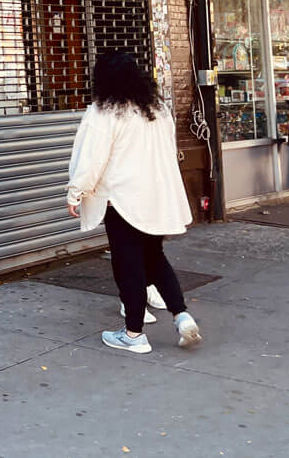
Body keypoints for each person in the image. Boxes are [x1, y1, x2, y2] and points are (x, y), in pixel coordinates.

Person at [66, 51, 202, 355]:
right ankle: (182, 316)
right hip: (155, 196)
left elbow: (90, 161)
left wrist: (75, 192)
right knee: (154, 259)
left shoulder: (103, 113)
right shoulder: (157, 109)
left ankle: (134, 334)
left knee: (127, 266)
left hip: (122, 200)